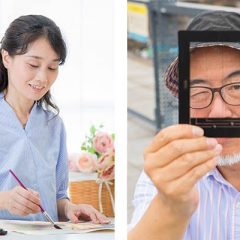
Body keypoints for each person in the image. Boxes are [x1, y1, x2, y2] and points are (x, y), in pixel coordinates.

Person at [128, 11, 240, 239]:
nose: (218, 112)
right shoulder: (169, 172)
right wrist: (172, 205)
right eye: (198, 92)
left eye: (237, 87)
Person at [0, 14, 108, 224]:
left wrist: (70, 208)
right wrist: (4, 200)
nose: (43, 78)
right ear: (7, 58)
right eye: (33, 64)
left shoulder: (54, 125)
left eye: (52, 67)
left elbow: (57, 197)